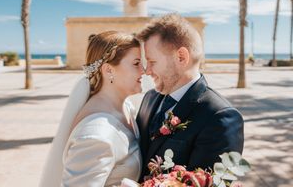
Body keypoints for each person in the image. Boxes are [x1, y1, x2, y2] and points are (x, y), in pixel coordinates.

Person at [136, 14, 244, 179]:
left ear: (181, 57)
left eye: (152, 62)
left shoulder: (220, 117)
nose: (147, 70)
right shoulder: (149, 99)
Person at [39, 31, 144, 187]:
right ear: (108, 70)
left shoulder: (126, 107)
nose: (144, 70)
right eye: (136, 63)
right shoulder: (95, 136)